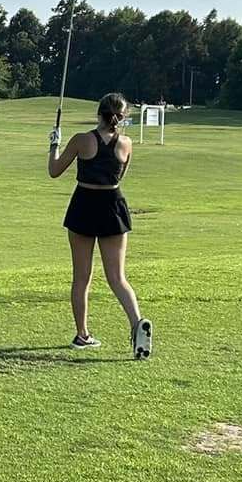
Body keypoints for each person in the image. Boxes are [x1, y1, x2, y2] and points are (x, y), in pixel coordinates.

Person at [48, 92, 150, 358]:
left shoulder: (82, 140)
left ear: (99, 113)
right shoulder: (126, 144)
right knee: (117, 277)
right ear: (122, 117)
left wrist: (53, 145)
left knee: (82, 277)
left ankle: (82, 335)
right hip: (112, 205)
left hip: (84, 204)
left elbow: (54, 170)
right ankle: (137, 324)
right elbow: (120, 175)